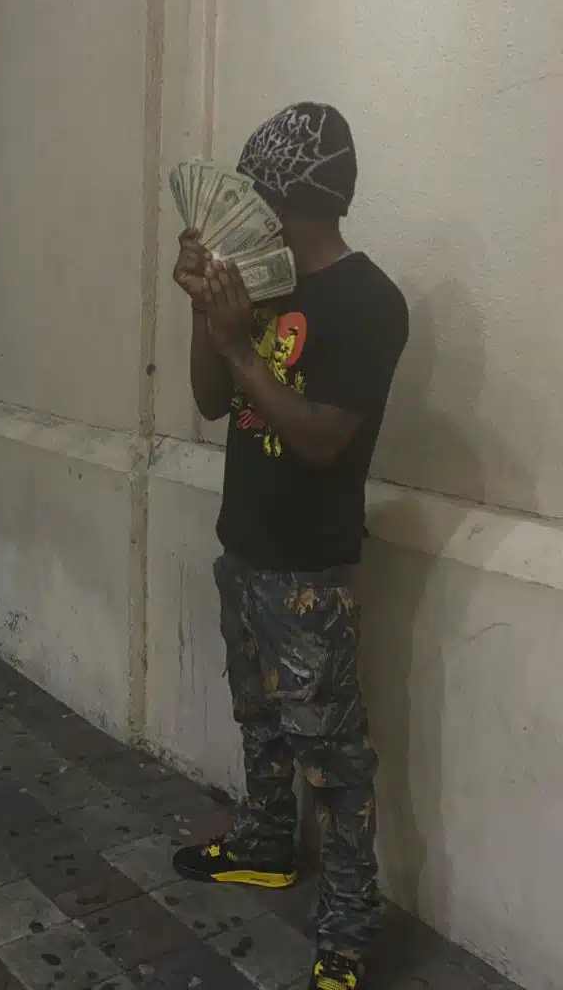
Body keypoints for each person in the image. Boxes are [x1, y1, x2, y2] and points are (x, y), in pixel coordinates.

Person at [170, 103, 408, 990]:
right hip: (245, 546)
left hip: (311, 568)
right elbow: (208, 400)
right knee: (259, 718)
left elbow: (319, 440)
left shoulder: (369, 302)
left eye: (251, 193)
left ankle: (346, 932)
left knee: (334, 763)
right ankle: (268, 845)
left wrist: (240, 345)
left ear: (284, 200)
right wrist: (205, 309)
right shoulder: (260, 283)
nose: (241, 207)